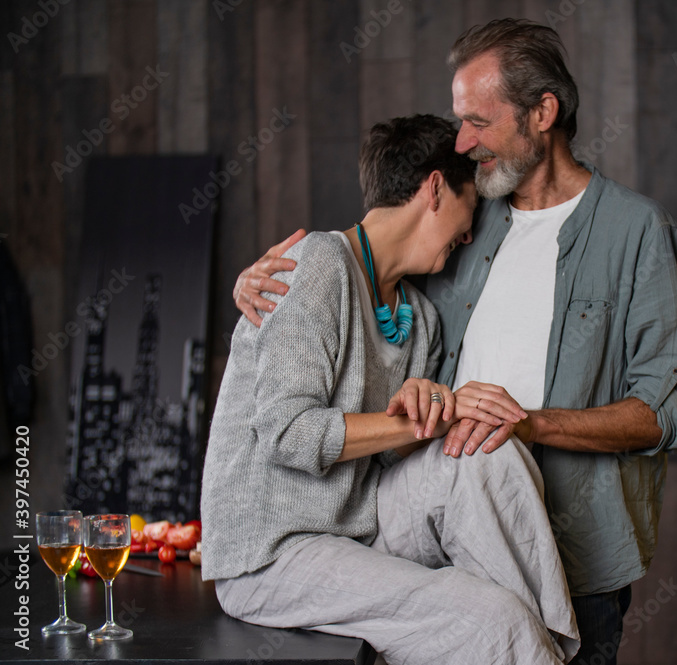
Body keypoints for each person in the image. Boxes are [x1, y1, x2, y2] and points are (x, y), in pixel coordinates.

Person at [234, 20, 677, 665]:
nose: (462, 140)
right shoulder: (468, 220)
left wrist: (529, 424)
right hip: (441, 541)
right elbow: (369, 271)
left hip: (575, 555)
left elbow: (663, 411)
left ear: (543, 112)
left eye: (478, 121)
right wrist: (262, 289)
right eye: (459, 121)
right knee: (491, 632)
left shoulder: (637, 230)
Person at [201, 114, 580, 665]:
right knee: (489, 617)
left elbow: (387, 463)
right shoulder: (317, 265)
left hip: (357, 524)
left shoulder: (419, 318)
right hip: (273, 551)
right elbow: (287, 434)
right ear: (434, 188)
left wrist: (424, 416)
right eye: (470, 203)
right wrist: (423, 420)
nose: (470, 232)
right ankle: (527, 645)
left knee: (486, 454)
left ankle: (542, 650)